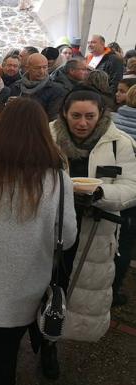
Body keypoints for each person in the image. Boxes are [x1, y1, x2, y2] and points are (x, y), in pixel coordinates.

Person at [0, 98, 77, 385]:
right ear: (44, 131)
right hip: (27, 284)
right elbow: (67, 238)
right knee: (7, 355)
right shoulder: (58, 179)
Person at [43, 88, 136, 379]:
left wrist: (99, 193)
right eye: (76, 116)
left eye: (89, 116)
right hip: (51, 228)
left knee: (75, 291)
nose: (82, 123)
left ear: (101, 115)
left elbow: (131, 187)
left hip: (94, 230)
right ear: (64, 115)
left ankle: (54, 339)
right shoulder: (47, 137)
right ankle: (45, 341)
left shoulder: (119, 143)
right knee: (48, 285)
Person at [111, 84, 136, 306]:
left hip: (110, 186)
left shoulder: (114, 120)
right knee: (126, 242)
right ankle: (114, 290)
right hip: (132, 193)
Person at [10, 53, 67, 121]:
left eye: (45, 67)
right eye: (37, 68)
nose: (42, 71)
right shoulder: (16, 86)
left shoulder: (57, 90)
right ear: (27, 68)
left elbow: (52, 119)